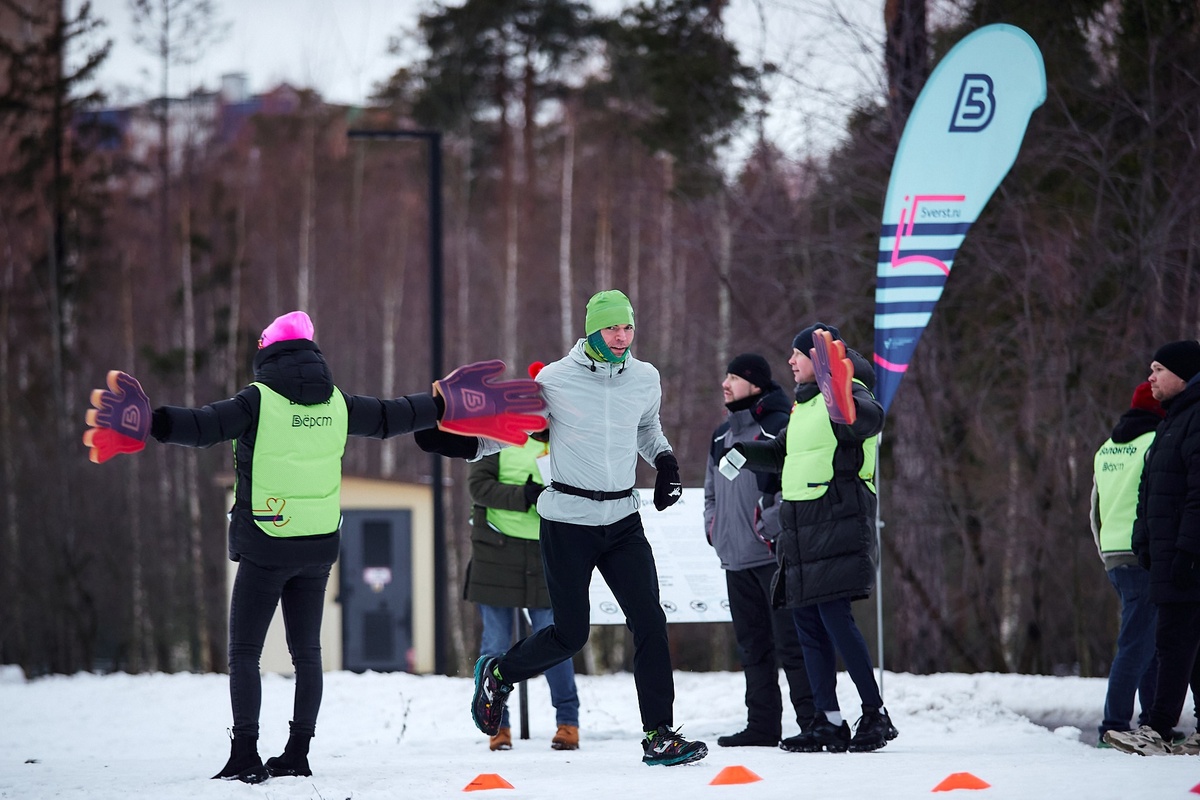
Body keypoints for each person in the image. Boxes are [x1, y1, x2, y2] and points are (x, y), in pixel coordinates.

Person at [83, 311, 540, 782]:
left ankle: (245, 754)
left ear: (266, 354)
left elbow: (202, 427)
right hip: (318, 544)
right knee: (307, 653)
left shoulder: (256, 401)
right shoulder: (336, 403)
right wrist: (441, 405)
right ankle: (298, 752)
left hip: (266, 542)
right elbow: (391, 417)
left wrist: (151, 423)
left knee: (245, 653)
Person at [417, 289, 708, 767]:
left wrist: (667, 462)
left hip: (622, 520)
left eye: (628, 327)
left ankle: (658, 734)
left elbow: (646, 428)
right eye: (612, 327)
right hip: (567, 522)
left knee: (650, 622)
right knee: (570, 634)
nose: (621, 336)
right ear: (593, 329)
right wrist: (455, 444)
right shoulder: (555, 380)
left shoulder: (645, 377)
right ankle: (500, 675)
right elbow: (509, 432)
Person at [724, 322, 895, 753]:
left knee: (836, 622)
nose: (790, 361)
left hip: (834, 525)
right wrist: (744, 454)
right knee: (807, 628)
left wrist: (842, 396)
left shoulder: (851, 394)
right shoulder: (805, 406)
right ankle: (828, 721)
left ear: (819, 359)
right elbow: (783, 453)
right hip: (799, 531)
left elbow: (868, 421)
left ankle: (874, 714)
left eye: (797, 354)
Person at [703, 352, 815, 747]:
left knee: (792, 645)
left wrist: (768, 527)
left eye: (734, 377)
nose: (725, 383)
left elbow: (793, 486)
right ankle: (763, 727)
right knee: (752, 649)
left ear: (755, 384)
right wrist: (714, 529)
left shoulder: (779, 429)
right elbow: (711, 492)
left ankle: (812, 723)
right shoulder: (721, 436)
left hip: (774, 557)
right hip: (735, 560)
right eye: (726, 376)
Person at [1106, 340, 1200, 756]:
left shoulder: (1193, 419)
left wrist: (1186, 551)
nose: (1151, 376)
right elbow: (1151, 491)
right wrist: (1143, 538)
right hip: (1162, 555)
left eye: (1158, 368)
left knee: (1171, 644)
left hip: (1185, 557)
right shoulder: (1172, 421)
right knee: (1183, 646)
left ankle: (1157, 728)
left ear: (1183, 373)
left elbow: (1197, 494)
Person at [466, 415, 581, 752]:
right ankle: (496, 727)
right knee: (496, 644)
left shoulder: (567, 437)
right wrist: (524, 495)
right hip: (496, 553)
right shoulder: (494, 435)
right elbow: (478, 486)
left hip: (548, 552)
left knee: (557, 641)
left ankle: (568, 723)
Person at [1091, 381, 1165, 745]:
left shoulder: (1106, 448)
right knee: (1136, 644)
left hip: (1114, 554)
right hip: (1142, 553)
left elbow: (1095, 507)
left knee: (1147, 640)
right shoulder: (1155, 443)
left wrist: (1105, 549)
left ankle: (1152, 718)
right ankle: (1114, 724)